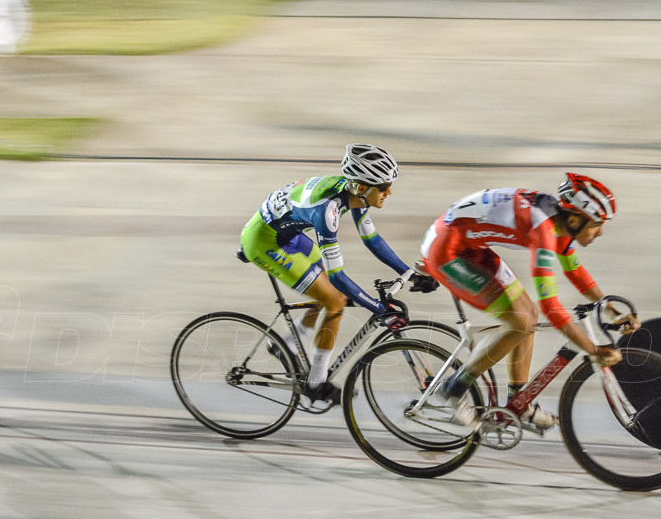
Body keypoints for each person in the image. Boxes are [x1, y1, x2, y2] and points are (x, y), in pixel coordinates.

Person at [419, 173, 637, 430]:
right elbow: (551, 305)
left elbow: (574, 272)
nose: (600, 233)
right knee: (520, 321)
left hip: (471, 246)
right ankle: (455, 386)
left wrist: (610, 310)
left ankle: (517, 403)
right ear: (576, 219)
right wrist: (592, 349)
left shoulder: (563, 224)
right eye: (597, 224)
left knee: (528, 316)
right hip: (447, 253)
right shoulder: (543, 230)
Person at [239, 143, 434, 403]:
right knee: (334, 299)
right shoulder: (328, 210)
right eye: (384, 187)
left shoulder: (356, 191)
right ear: (363, 187)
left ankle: (286, 344)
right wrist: (377, 307)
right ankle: (316, 382)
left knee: (327, 293)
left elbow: (372, 240)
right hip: (264, 242)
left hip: (286, 233)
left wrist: (409, 273)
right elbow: (337, 277)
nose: (390, 192)